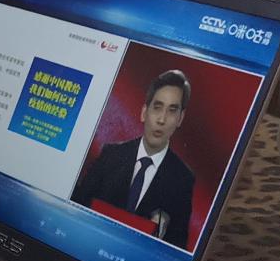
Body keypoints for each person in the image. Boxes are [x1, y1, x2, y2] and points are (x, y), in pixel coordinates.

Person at [70, 70, 198, 248]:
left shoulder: (183, 179)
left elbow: (176, 246)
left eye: (172, 111)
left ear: (180, 119)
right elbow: (75, 207)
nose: (161, 119)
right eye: (157, 107)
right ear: (144, 112)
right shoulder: (110, 155)